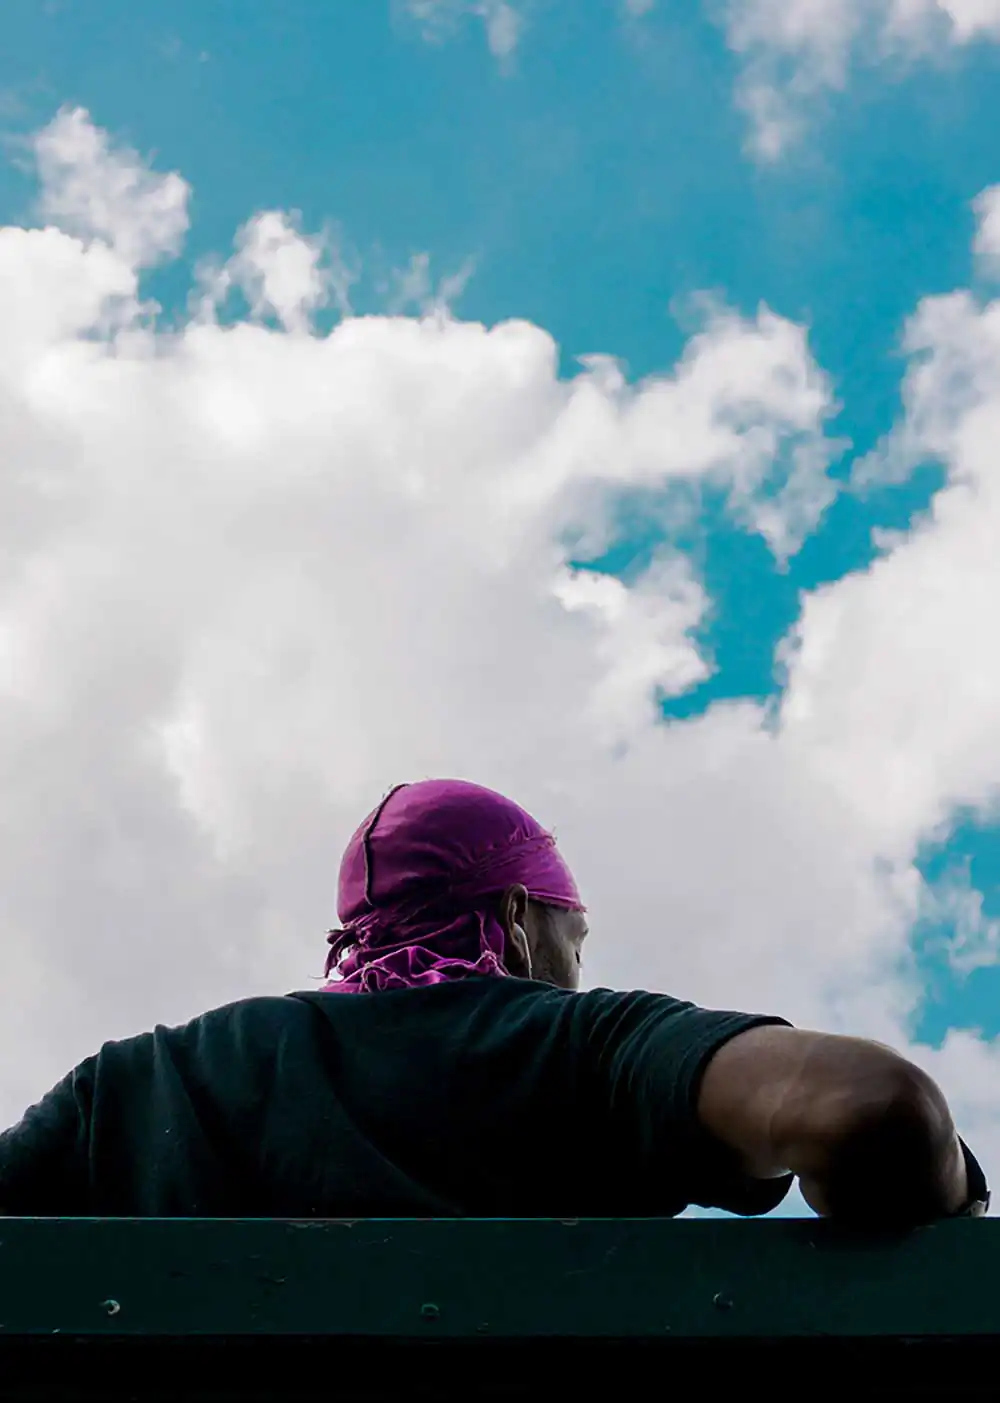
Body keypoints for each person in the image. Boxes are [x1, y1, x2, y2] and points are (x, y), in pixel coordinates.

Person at [0, 778, 988, 1222]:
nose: (577, 970)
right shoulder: (593, 1047)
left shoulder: (140, 1080)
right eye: (574, 939)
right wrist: (951, 1196)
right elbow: (869, 1107)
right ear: (515, 918)